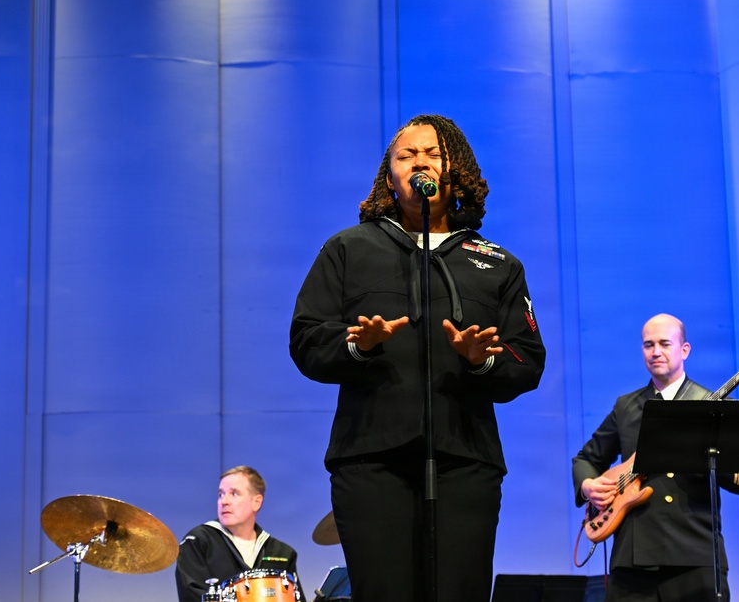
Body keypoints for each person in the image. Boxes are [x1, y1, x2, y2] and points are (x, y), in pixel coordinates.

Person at [289, 114, 545, 602]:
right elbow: (306, 339)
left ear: (456, 172)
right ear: (390, 178)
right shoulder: (347, 250)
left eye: (432, 154)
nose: (419, 162)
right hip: (370, 461)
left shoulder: (498, 264)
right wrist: (357, 345)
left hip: (465, 462)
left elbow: (528, 358)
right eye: (406, 155)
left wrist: (482, 360)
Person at [572, 314, 739, 601]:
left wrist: (705, 452)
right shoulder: (626, 407)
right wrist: (588, 486)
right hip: (632, 560)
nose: (656, 351)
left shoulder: (713, 405)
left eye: (665, 344)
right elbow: (586, 459)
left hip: (695, 557)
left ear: (685, 349)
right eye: (649, 345)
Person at [175, 466, 304, 602]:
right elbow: (191, 596)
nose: (224, 501)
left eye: (234, 493)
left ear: (256, 502)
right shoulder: (198, 542)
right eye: (221, 494)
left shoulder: (282, 553)